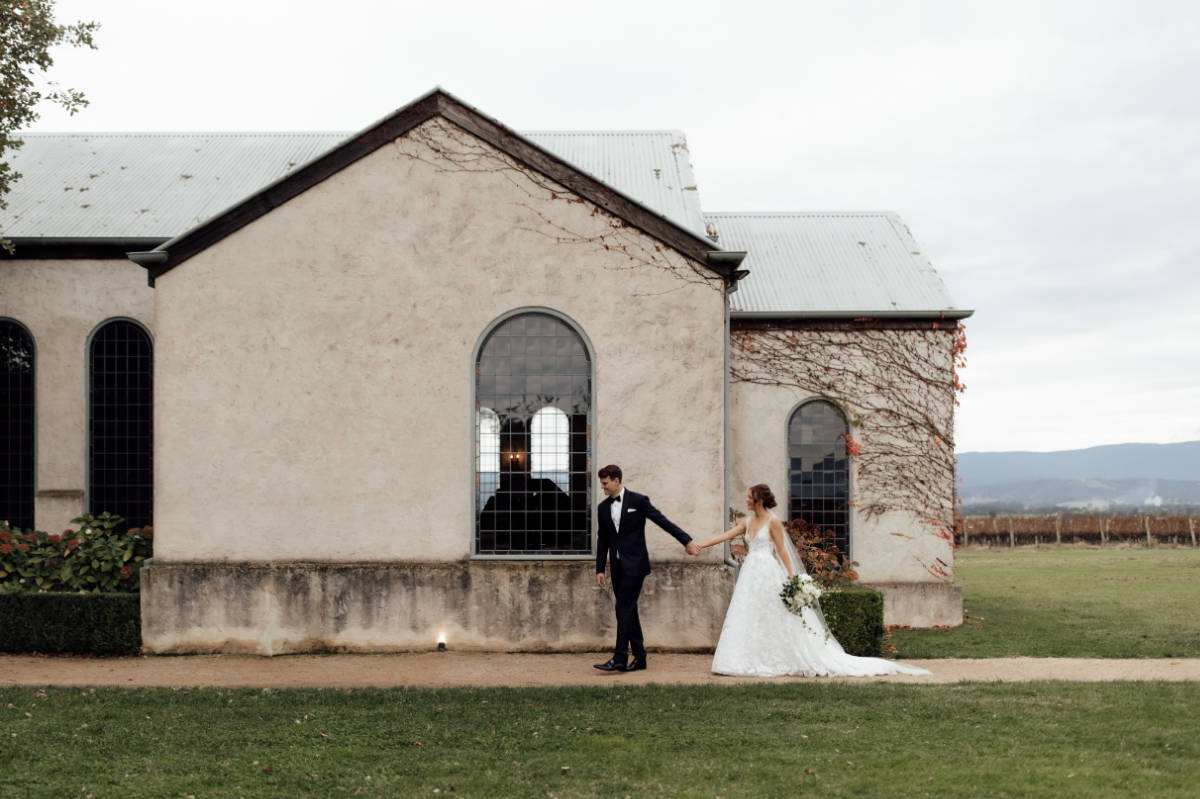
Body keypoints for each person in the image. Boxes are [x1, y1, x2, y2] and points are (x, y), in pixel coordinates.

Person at [693, 483, 931, 678]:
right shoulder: (747, 521)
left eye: (749, 497)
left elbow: (783, 551)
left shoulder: (772, 522)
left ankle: (775, 657)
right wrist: (700, 545)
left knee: (775, 614)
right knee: (748, 613)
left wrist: (792, 577)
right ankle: (742, 658)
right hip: (750, 574)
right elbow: (726, 535)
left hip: (767, 571)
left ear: (760, 501)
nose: (746, 500)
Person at [594, 464, 701, 673]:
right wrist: (600, 568)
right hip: (616, 567)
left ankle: (619, 657)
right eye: (602, 484)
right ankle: (640, 657)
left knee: (623, 608)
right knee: (628, 609)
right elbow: (602, 540)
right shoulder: (602, 508)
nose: (603, 488)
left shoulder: (638, 501)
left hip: (636, 565)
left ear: (616, 480)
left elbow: (663, 522)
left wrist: (686, 541)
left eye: (605, 483)